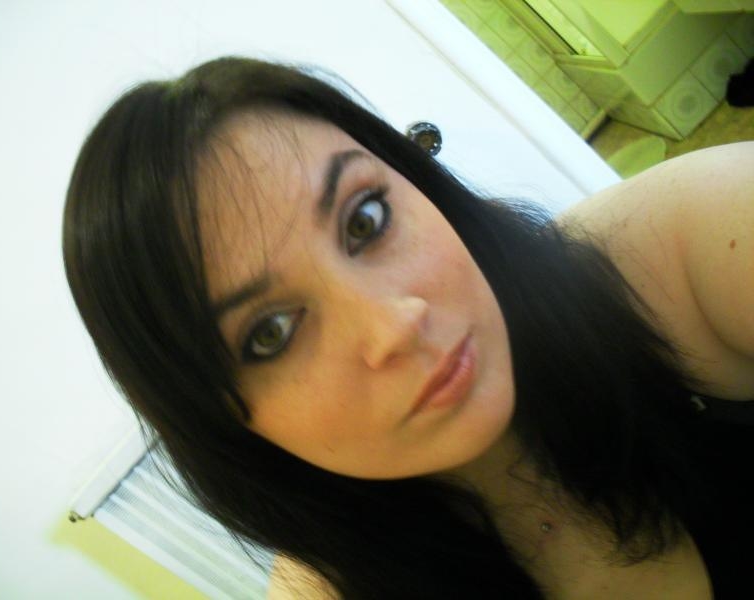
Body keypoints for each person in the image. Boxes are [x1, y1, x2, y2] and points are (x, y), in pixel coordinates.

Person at [62, 56, 754, 599]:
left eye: (366, 219)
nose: (394, 324)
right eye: (270, 332)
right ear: (225, 423)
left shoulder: (675, 249)